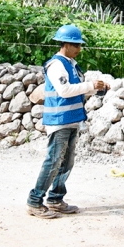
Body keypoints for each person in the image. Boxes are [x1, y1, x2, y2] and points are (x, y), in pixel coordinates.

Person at [26, 24, 108, 219]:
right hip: (59, 120)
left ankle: (55, 199)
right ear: (67, 45)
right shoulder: (57, 65)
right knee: (54, 161)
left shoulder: (70, 64)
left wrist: (95, 88)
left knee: (66, 162)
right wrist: (89, 85)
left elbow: (77, 87)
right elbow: (65, 90)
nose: (79, 49)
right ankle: (35, 201)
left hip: (71, 120)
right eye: (77, 45)